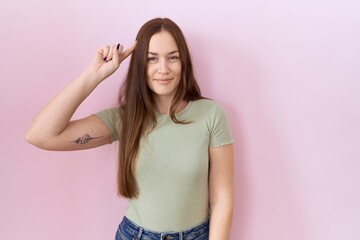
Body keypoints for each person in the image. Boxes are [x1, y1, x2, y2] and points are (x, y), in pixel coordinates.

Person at [25, 18, 234, 240]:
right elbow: (39, 135)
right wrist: (94, 75)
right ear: (140, 65)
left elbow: (222, 199)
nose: (163, 68)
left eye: (173, 57)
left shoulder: (211, 114)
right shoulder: (124, 119)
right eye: (152, 59)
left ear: (184, 63)